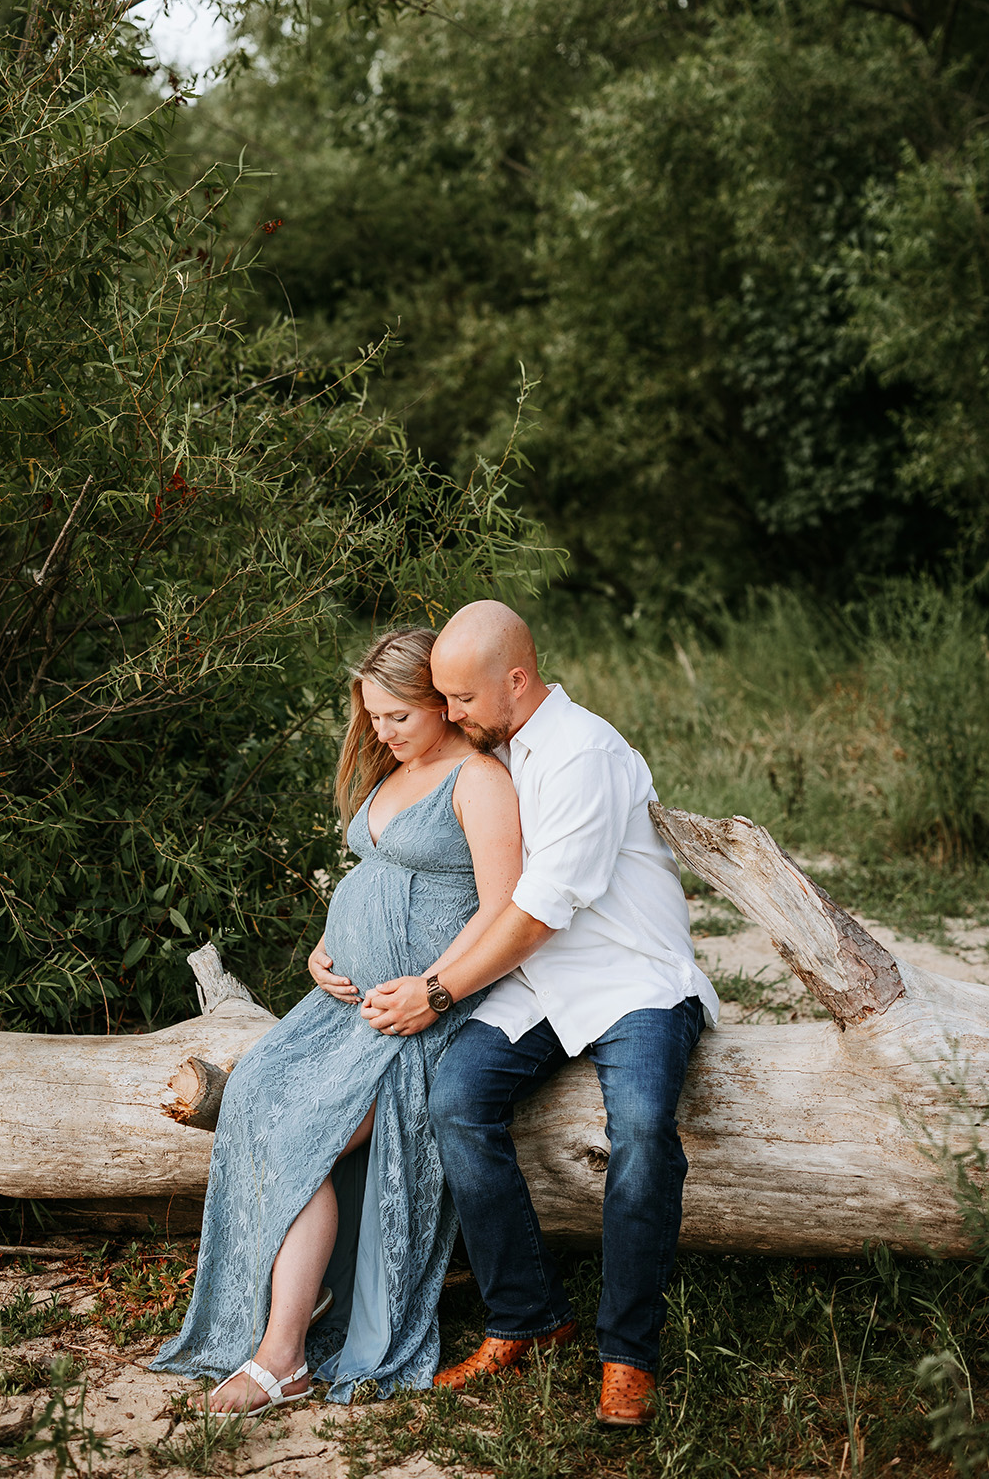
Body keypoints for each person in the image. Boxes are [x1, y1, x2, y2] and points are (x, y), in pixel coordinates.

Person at [359, 600, 719, 1428]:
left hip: (634, 982)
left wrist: (438, 991)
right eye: (440, 700)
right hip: (541, 983)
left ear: (516, 680)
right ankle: (528, 1315)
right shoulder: (501, 745)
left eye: (461, 700)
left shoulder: (584, 752)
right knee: (456, 1099)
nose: (449, 715)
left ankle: (628, 1355)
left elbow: (537, 913)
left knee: (640, 1134)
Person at [151, 626, 521, 1414]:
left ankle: (281, 1357)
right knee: (250, 1097)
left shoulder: (478, 778)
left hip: (415, 1015)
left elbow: (501, 908)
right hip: (341, 1005)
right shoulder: (396, 770)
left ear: (444, 706)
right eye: (373, 717)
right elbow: (375, 873)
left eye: (399, 716)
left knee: (300, 1138)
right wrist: (329, 942)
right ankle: (295, 1297)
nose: (381, 732)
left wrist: (432, 987)